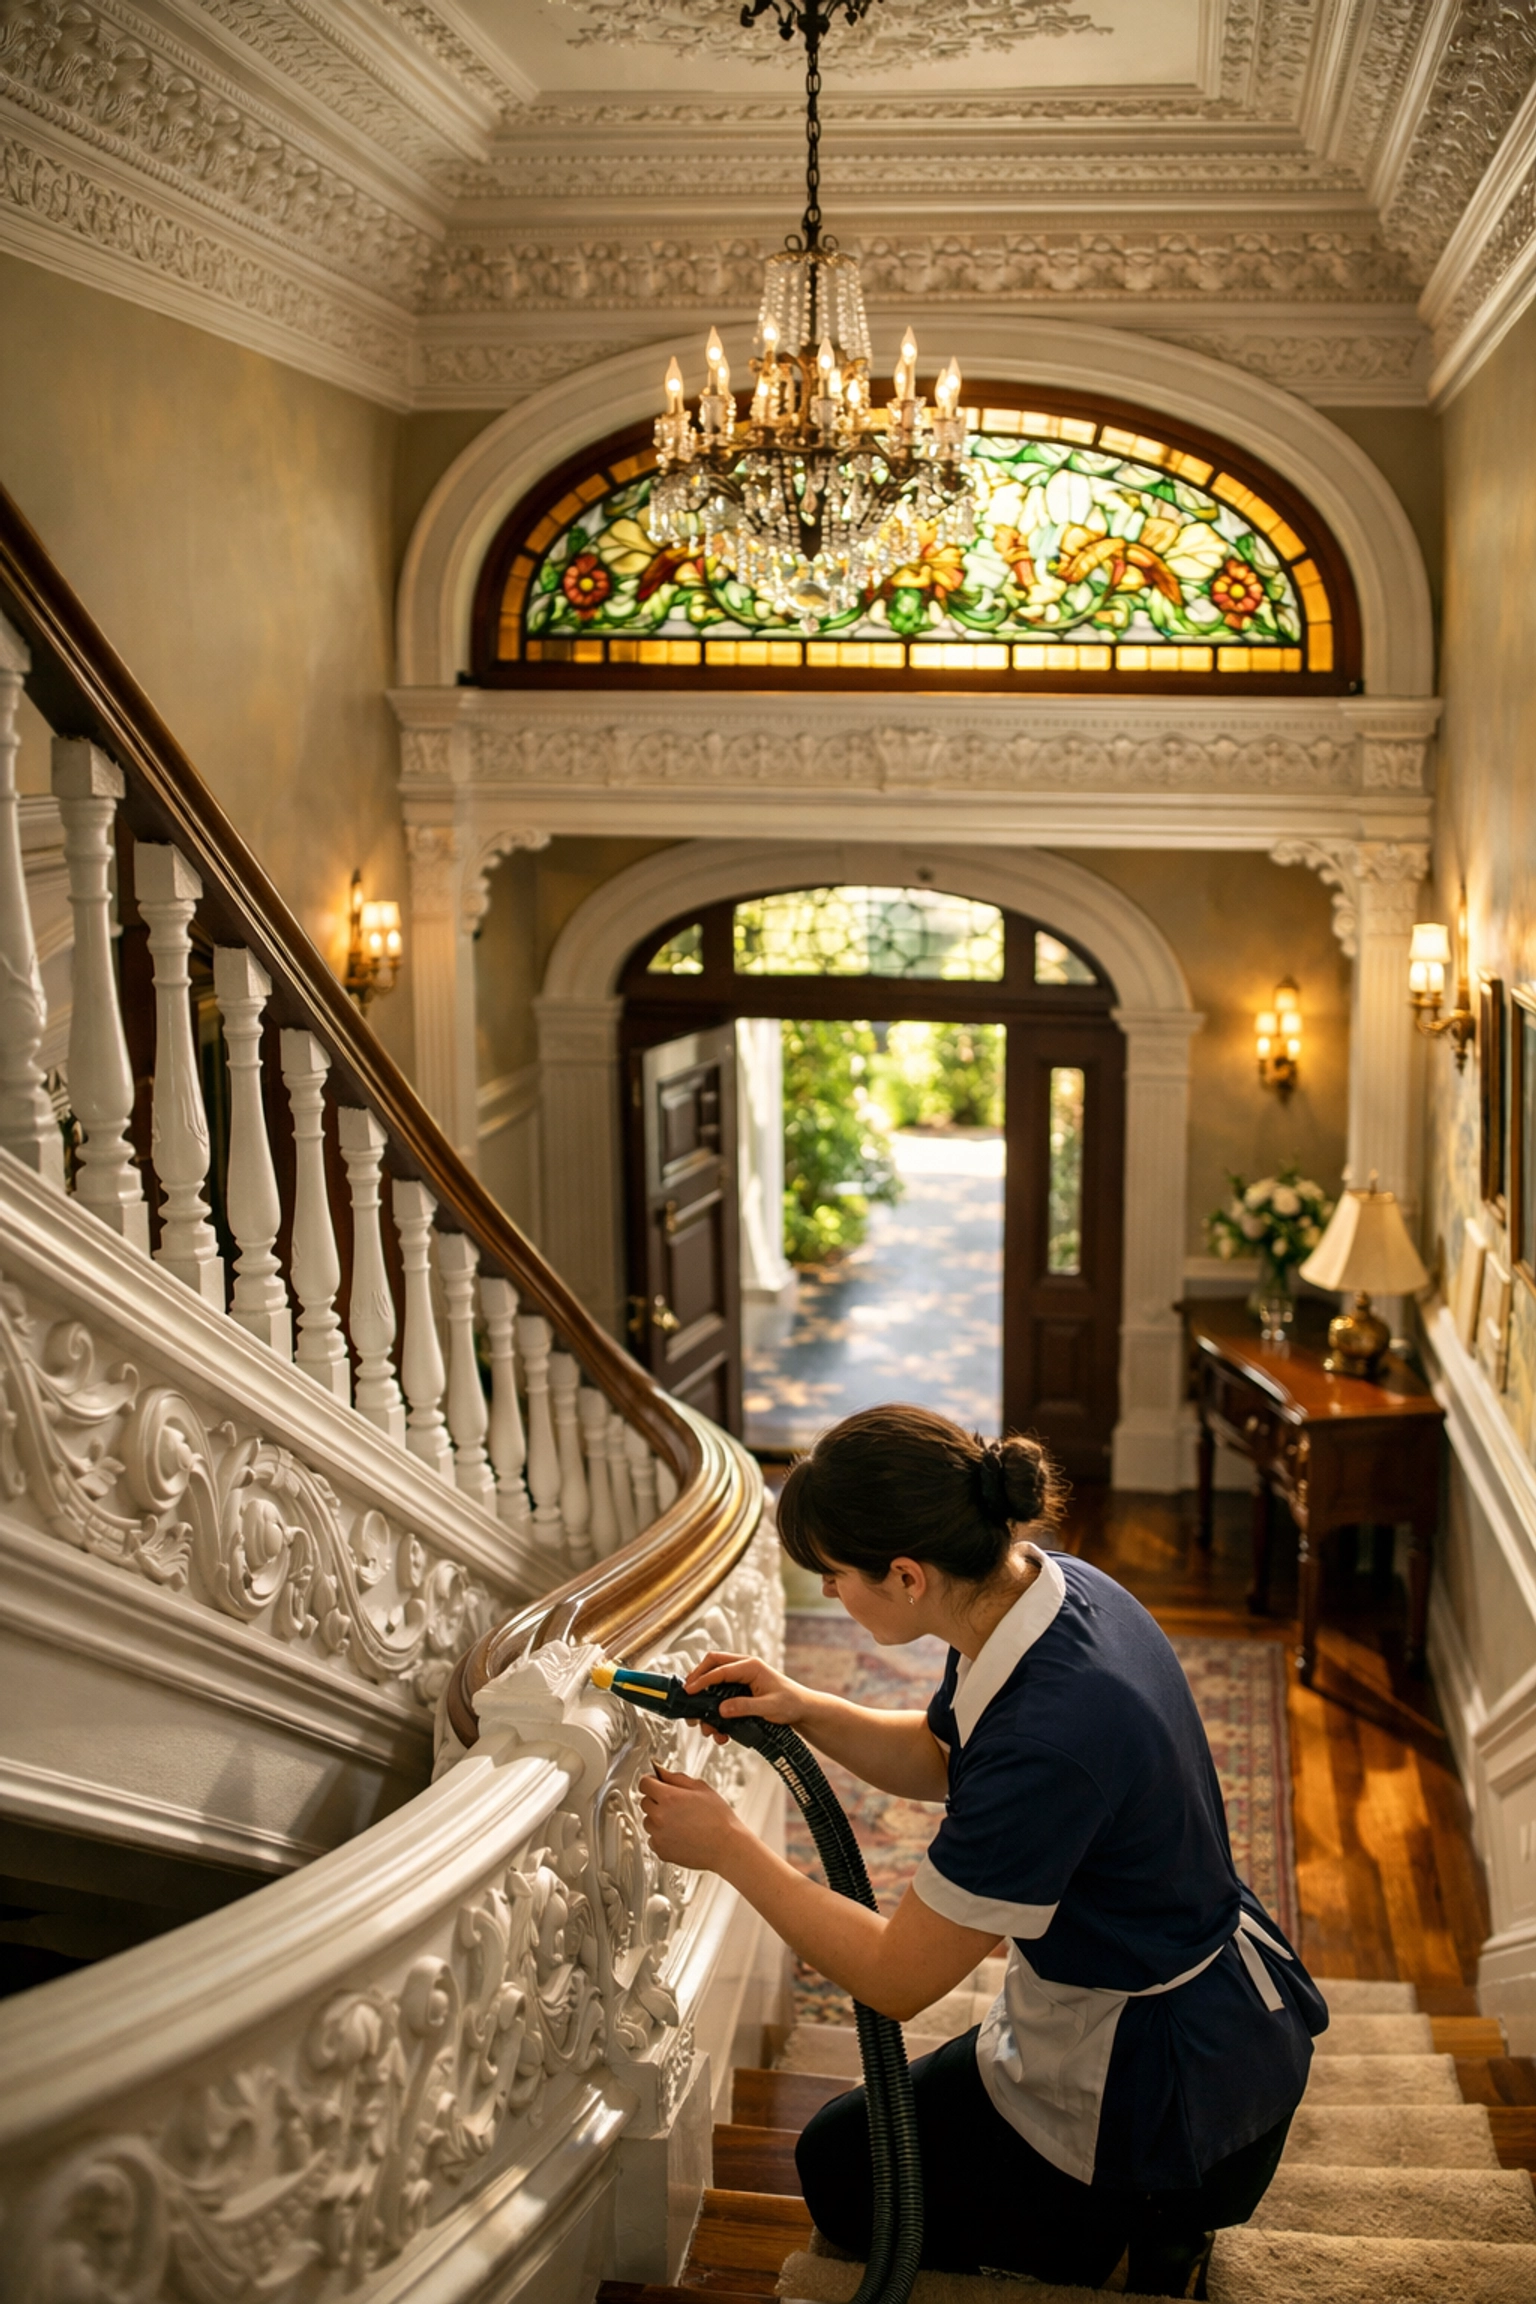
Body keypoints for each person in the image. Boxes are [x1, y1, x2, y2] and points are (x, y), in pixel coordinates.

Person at [636, 1404, 1327, 2297]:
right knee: (850, 2144)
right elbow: (945, 1754)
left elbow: (895, 1978)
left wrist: (729, 1848)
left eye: (835, 1575)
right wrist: (805, 1707)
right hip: (1189, 1998)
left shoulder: (1051, 1737)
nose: (830, 1594)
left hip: (1164, 2092)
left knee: (843, 2180)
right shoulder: (1047, 1592)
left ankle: (1144, 2234)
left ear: (907, 1576)